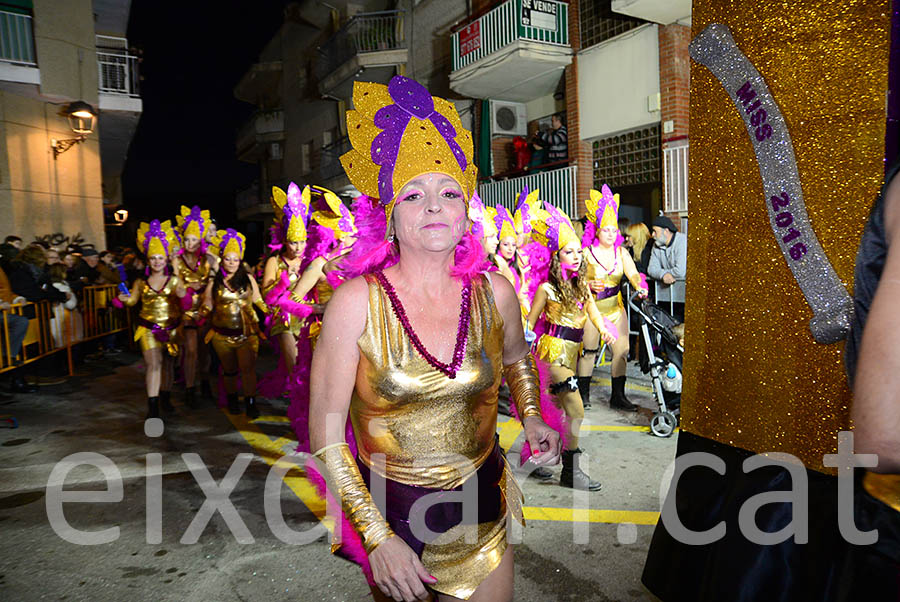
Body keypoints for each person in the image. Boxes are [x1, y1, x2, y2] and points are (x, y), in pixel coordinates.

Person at [309, 76, 561, 602]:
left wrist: (533, 413)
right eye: (414, 194)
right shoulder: (355, 303)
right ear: (389, 214)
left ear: (465, 210)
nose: (433, 207)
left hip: (482, 511)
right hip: (395, 523)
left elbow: (516, 358)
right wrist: (376, 538)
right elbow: (328, 435)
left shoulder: (495, 292)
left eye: (448, 193)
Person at [526, 202, 618, 491]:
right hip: (553, 356)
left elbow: (592, 311)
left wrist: (604, 330)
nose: (577, 256)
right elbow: (529, 325)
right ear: (556, 257)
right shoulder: (547, 289)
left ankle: (535, 459)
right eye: (569, 251)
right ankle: (571, 472)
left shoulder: (581, 285)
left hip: (572, 355)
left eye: (579, 251)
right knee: (576, 410)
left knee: (551, 412)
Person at [577, 186, 648, 411]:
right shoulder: (586, 253)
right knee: (588, 353)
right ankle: (583, 395)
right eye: (606, 229)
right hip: (592, 309)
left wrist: (640, 285)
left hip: (615, 309)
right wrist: (587, 285)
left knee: (622, 352)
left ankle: (618, 396)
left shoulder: (622, 253)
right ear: (597, 230)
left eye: (613, 229)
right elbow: (572, 281)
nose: (611, 233)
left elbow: (634, 273)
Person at [118, 220, 186, 418]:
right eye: (153, 258)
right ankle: (153, 406)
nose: (157, 262)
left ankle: (165, 396)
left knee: (167, 365)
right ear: (148, 261)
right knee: (153, 364)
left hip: (172, 328)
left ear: (165, 260)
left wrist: (183, 288)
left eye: (160, 258)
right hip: (148, 328)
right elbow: (132, 301)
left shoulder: (173, 280)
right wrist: (123, 300)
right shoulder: (141, 282)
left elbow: (184, 298)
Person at [200, 228, 266, 418]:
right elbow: (207, 305)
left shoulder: (249, 279)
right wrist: (195, 314)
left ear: (240, 260)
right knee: (229, 371)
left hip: (247, 334)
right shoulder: (215, 283)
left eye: (235, 259)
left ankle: (250, 402)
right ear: (222, 259)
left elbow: (258, 300)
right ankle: (232, 401)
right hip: (221, 336)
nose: (232, 263)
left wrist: (274, 310)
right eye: (228, 259)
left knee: (248, 369)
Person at [261, 182, 312, 377]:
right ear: (285, 241)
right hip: (285, 317)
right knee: (294, 364)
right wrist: (282, 282)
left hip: (308, 315)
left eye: (301, 241)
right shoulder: (275, 261)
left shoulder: (310, 261)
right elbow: (267, 295)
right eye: (293, 242)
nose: (298, 247)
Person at [174, 205, 215, 407]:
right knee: (190, 350)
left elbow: (216, 278)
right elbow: (175, 283)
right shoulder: (177, 261)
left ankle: (205, 382)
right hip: (186, 309)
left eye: (194, 239)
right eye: (187, 239)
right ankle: (190, 389)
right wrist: (189, 285)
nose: (190, 243)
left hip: (205, 309)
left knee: (204, 350)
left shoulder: (207, 259)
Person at [647, 215, 686, 286]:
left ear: (666, 231)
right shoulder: (656, 244)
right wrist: (663, 274)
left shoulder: (682, 241)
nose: (652, 235)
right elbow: (651, 269)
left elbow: (680, 271)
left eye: (655, 231)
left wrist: (661, 273)